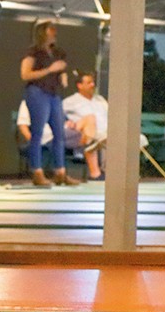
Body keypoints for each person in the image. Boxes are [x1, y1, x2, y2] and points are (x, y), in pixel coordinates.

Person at [19, 18, 79, 187]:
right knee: (37, 132)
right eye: (50, 29)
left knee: (59, 133)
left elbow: (61, 70)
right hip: (38, 92)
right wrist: (49, 70)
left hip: (54, 93)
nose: (54, 32)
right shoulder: (33, 52)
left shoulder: (57, 52)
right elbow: (25, 74)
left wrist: (62, 75)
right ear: (42, 31)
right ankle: (37, 171)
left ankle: (60, 171)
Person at [61, 71, 110, 181]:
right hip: (88, 133)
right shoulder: (70, 101)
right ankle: (98, 172)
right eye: (89, 83)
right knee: (103, 138)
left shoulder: (100, 100)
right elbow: (59, 117)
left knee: (117, 138)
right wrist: (67, 123)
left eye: (93, 82)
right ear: (80, 85)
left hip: (105, 132)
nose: (92, 85)